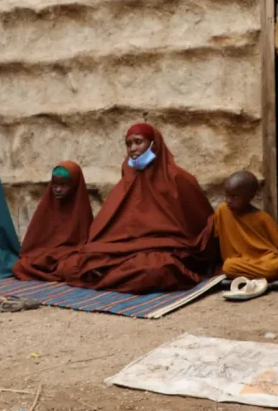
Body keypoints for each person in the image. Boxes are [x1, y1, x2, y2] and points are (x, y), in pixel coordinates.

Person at [53, 123, 216, 294]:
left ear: (154, 144)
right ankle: (113, 273)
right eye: (129, 144)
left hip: (164, 248)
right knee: (74, 265)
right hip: (125, 249)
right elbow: (110, 225)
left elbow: (200, 224)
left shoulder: (178, 178)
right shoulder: (128, 180)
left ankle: (112, 275)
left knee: (155, 269)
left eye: (138, 142)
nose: (133, 149)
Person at [13, 161, 94, 281]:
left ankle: (49, 274)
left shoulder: (80, 208)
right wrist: (46, 256)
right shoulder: (47, 205)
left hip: (66, 257)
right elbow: (34, 244)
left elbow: (83, 244)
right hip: (46, 256)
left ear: (75, 185)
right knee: (19, 266)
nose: (58, 189)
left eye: (64, 185)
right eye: (55, 184)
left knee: (71, 269)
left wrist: (61, 254)